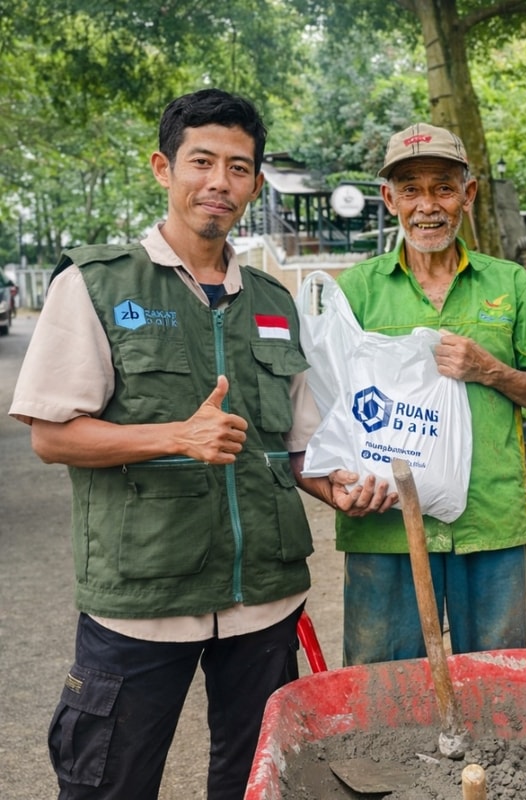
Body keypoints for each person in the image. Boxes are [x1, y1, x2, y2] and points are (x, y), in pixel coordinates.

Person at [8, 89, 394, 800]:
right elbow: (53, 436)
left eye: (239, 167)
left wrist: (336, 484)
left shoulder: (275, 304)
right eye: (202, 161)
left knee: (257, 784)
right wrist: (176, 436)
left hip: (265, 602)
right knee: (109, 784)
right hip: (141, 598)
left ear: (253, 183)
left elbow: (300, 444)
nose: (220, 182)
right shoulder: (96, 284)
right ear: (164, 167)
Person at [333, 123, 526, 665]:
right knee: (383, 693)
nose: (428, 206)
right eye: (411, 189)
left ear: (468, 195)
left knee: (497, 689)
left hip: (488, 526)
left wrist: (493, 371)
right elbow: (324, 405)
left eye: (443, 188)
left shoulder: (509, 284)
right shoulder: (356, 291)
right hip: (385, 525)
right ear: (388, 198)